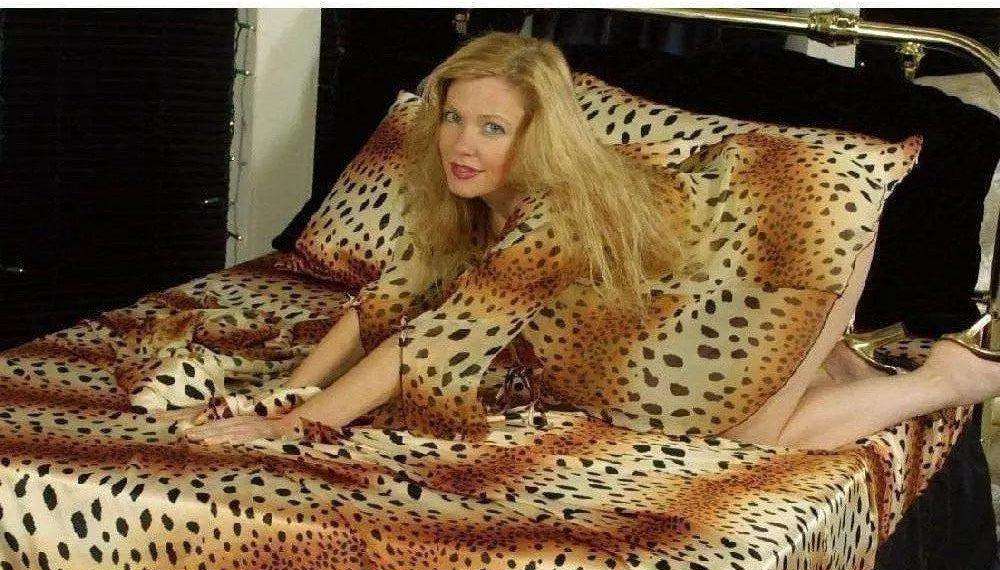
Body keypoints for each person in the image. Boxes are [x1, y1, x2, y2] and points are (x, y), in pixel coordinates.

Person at [180, 32, 999, 451]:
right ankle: (838, 366)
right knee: (748, 388)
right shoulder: (468, 193)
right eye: (454, 118)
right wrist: (286, 394)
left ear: (539, 135)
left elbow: (441, 335)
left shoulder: (561, 207)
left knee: (752, 438)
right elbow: (387, 301)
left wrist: (302, 428)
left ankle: (949, 379)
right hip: (693, 276)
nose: (462, 143)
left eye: (492, 127)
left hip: (792, 235)